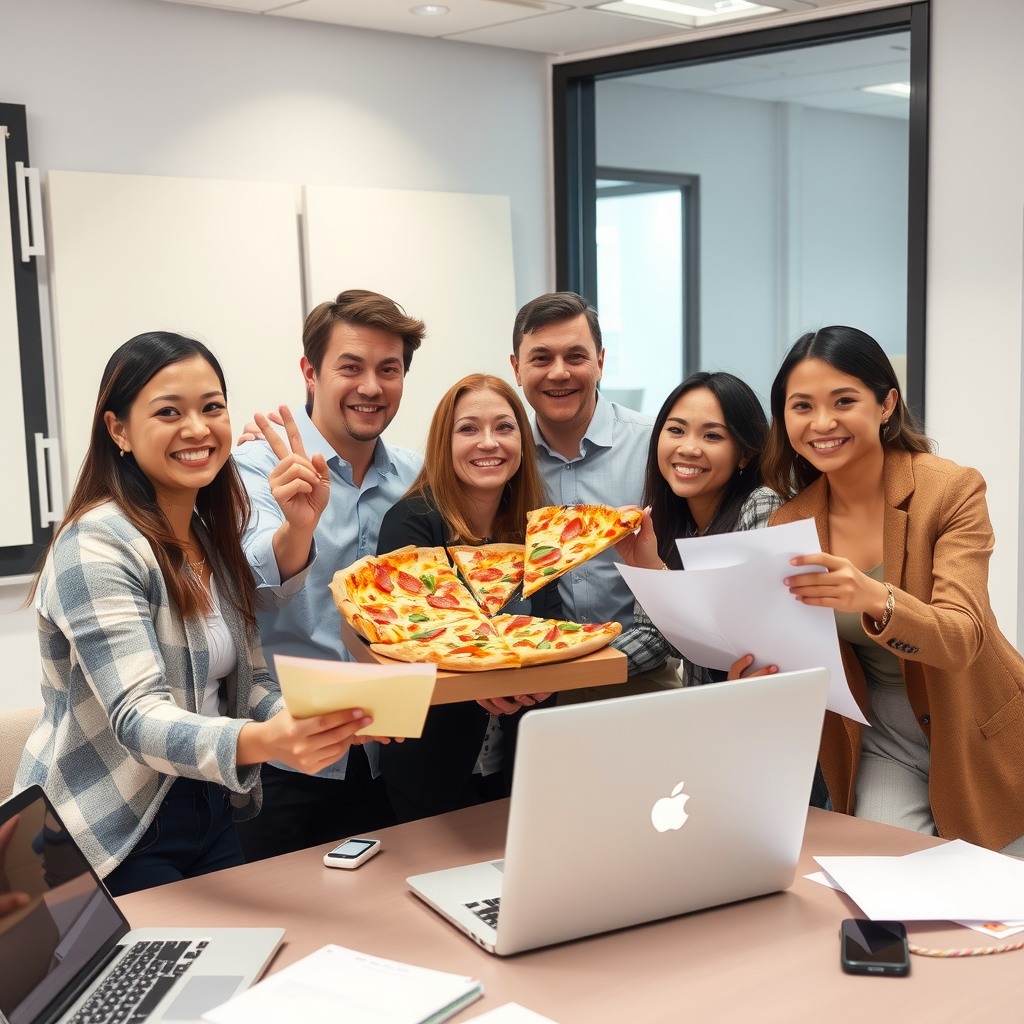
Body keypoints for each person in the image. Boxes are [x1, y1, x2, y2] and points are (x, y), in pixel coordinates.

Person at [14, 333, 376, 895]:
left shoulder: (209, 535)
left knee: (259, 955)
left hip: (209, 803)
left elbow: (250, 683)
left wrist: (333, 716)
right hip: (106, 827)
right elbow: (137, 719)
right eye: (168, 412)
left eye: (212, 407)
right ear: (118, 430)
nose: (198, 429)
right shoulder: (95, 545)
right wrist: (268, 740)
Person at [763, 326, 1024, 853]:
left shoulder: (949, 490)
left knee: (997, 907)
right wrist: (764, 671)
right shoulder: (788, 523)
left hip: (978, 720)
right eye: (801, 406)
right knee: (889, 887)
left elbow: (962, 637)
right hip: (882, 734)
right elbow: (813, 658)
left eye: (843, 401)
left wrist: (873, 599)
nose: (822, 423)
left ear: (886, 405)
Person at [232, 290, 425, 860]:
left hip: (390, 749)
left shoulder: (418, 475)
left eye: (388, 370)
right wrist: (298, 529)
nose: (371, 386)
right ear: (310, 373)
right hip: (287, 752)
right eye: (351, 367)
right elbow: (255, 585)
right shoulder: (255, 466)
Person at [375, 374, 560, 822]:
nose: (488, 442)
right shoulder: (410, 521)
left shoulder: (537, 522)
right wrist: (489, 682)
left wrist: (540, 679)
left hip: (523, 761)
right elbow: (416, 638)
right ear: (445, 441)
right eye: (469, 428)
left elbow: (552, 630)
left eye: (504, 427)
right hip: (430, 766)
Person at [510, 293, 667, 697]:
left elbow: (681, 582)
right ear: (516, 368)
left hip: (643, 680)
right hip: (527, 684)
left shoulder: (656, 448)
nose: (558, 373)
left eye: (575, 357)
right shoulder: (502, 458)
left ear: (599, 361)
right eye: (541, 358)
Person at [612, 371, 783, 685]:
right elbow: (655, 637)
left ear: (745, 454)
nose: (688, 448)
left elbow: (740, 645)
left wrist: (653, 570)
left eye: (712, 436)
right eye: (676, 430)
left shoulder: (761, 505)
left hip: (758, 710)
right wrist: (569, 667)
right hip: (708, 710)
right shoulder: (668, 517)